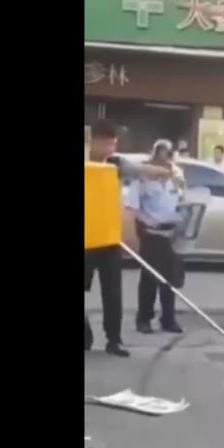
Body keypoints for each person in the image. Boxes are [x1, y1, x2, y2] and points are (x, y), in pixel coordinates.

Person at [86, 120, 174, 357]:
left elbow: (142, 170)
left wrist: (166, 171)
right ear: (93, 141)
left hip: (108, 239)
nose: (111, 149)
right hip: (86, 239)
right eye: (107, 144)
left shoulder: (116, 163)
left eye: (114, 144)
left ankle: (114, 340)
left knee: (113, 293)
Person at [133, 139, 187, 334]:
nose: (165, 159)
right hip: (152, 233)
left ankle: (168, 319)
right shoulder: (142, 178)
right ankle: (144, 319)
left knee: (170, 280)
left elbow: (183, 201)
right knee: (149, 279)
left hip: (172, 234)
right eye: (161, 155)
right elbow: (133, 208)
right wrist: (147, 221)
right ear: (154, 155)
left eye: (168, 155)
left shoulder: (177, 176)